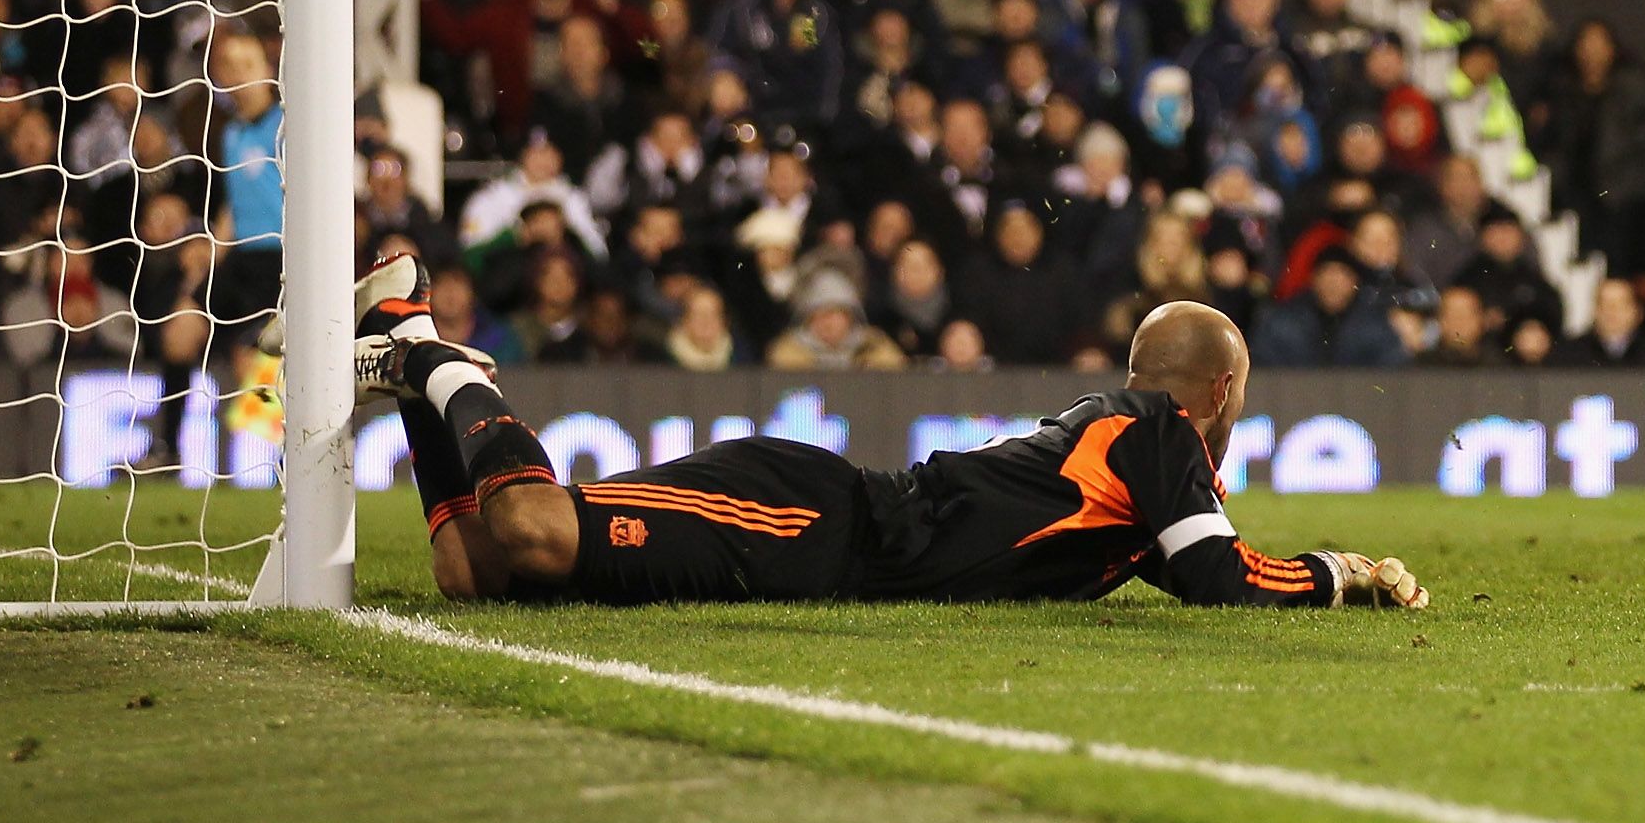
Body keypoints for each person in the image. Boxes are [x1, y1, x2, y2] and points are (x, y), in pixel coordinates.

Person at [364, 265, 1430, 611]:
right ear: (1224, 388)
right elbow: (1214, 572)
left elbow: (1189, 552)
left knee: (474, 569)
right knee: (536, 530)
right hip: (813, 520)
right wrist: (1341, 571)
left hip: (826, 536)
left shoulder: (1121, 466)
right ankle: (444, 363)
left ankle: (404, 343)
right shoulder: (1155, 428)